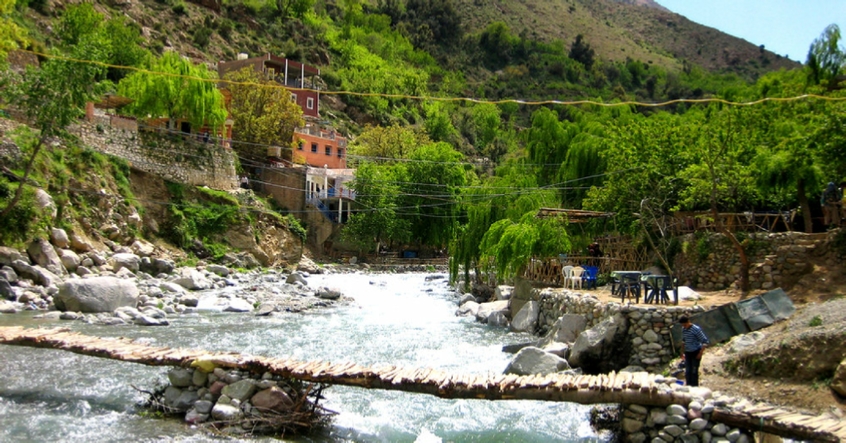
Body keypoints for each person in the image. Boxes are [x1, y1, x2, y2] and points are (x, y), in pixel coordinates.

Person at [679, 316, 709, 387]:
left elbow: (705, 341)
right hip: (688, 352)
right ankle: (689, 386)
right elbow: (684, 341)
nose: (684, 327)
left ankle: (695, 386)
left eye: (685, 325)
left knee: (694, 371)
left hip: (695, 352)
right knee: (688, 371)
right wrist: (682, 352)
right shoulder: (683, 329)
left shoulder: (696, 329)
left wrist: (700, 353)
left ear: (689, 322)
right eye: (683, 325)